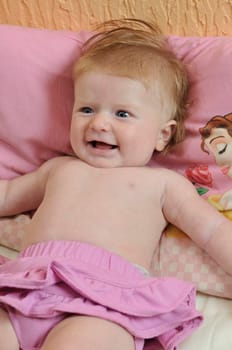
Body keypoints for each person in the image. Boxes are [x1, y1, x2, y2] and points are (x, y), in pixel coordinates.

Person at [0, 18, 231, 350]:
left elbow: (212, 232)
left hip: (103, 304)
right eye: (87, 109)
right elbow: (7, 194)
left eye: (122, 114)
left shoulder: (163, 184)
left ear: (162, 134)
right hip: (28, 290)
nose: (99, 123)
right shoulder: (59, 169)